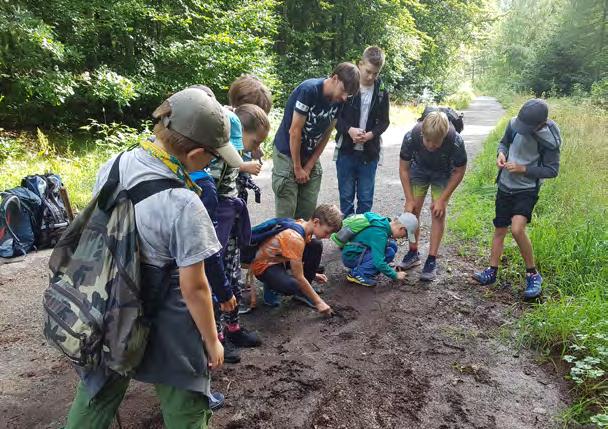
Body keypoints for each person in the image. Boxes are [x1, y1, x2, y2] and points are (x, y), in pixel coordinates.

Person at [63, 87, 241, 428]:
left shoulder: (116, 162)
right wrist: (211, 340)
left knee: (98, 389)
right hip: (168, 309)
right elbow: (195, 288)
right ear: (198, 154)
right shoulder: (184, 203)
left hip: (111, 298)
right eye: (214, 156)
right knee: (186, 397)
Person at [473, 98, 561, 299]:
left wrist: (524, 169)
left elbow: (552, 170)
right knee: (500, 228)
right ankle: (491, 271)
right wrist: (501, 154)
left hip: (527, 189)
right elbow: (504, 143)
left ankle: (533, 274)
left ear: (541, 124)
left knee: (517, 228)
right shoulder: (514, 124)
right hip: (505, 185)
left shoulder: (549, 140)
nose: (521, 129)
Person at [206, 102, 271, 362]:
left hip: (232, 221)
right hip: (217, 224)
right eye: (253, 140)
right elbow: (209, 192)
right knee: (217, 279)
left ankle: (233, 328)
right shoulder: (217, 157)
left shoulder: (236, 156)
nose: (253, 148)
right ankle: (217, 335)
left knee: (232, 275)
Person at [272, 63, 360, 219]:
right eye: (343, 91)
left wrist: (310, 165)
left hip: (309, 154)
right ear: (335, 79)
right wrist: (298, 167)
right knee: (286, 214)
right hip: (287, 153)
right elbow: (294, 131)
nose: (345, 97)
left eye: (349, 95)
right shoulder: (309, 90)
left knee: (307, 212)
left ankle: (303, 242)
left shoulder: (340, 101)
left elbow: (326, 134)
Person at [397, 111, 467, 281]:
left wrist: (442, 200)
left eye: (436, 143)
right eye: (427, 140)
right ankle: (413, 252)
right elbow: (404, 168)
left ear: (444, 136)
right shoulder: (411, 136)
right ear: (422, 133)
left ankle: (432, 259)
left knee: (438, 213)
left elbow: (459, 171)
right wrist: (409, 199)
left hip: (443, 173)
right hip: (419, 169)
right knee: (412, 213)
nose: (430, 146)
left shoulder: (455, 141)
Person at [250, 204, 343, 315]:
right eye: (327, 232)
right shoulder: (294, 238)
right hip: (264, 265)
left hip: (279, 258)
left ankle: (302, 294)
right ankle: (271, 287)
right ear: (316, 222)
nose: (328, 237)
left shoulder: (303, 225)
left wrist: (313, 274)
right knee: (292, 285)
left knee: (315, 245)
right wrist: (319, 302)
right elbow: (298, 276)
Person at [335, 46, 390, 216]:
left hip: (369, 153)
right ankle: (346, 236)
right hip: (346, 151)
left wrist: (371, 135)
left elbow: (384, 122)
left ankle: (362, 237)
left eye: (376, 73)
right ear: (360, 64)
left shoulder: (381, 92)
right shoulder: (347, 87)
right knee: (346, 197)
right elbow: (334, 117)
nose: (371, 76)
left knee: (366, 199)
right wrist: (349, 130)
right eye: (368, 71)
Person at [339, 212, 418, 287]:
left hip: (355, 250)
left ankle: (366, 268)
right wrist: (395, 275)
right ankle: (357, 274)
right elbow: (379, 262)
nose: (402, 238)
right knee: (388, 253)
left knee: (392, 245)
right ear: (402, 229)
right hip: (351, 257)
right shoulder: (380, 234)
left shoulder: (383, 222)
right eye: (404, 235)